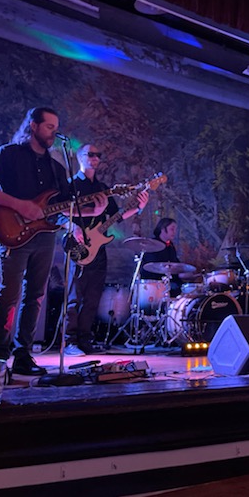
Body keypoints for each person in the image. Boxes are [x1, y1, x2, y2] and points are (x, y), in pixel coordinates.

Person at [0, 107, 106, 376]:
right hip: (13, 231)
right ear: (33, 126)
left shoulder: (56, 168)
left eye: (56, 127)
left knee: (35, 296)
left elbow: (62, 206)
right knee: (9, 293)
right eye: (49, 127)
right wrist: (21, 206)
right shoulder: (7, 154)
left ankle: (23, 354)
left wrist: (92, 211)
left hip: (45, 237)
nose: (54, 132)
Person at [63, 144, 148, 357]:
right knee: (74, 296)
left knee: (93, 297)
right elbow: (59, 213)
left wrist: (138, 208)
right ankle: (69, 341)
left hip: (99, 248)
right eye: (90, 154)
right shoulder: (70, 185)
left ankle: (85, 339)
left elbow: (115, 216)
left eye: (98, 155)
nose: (95, 158)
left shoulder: (102, 188)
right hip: (78, 244)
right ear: (80, 157)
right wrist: (74, 227)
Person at [141, 217, 181, 296]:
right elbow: (151, 268)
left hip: (169, 282)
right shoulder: (152, 245)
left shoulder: (170, 246)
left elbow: (176, 265)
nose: (174, 232)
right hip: (153, 284)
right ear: (163, 229)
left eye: (175, 229)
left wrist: (185, 272)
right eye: (172, 229)